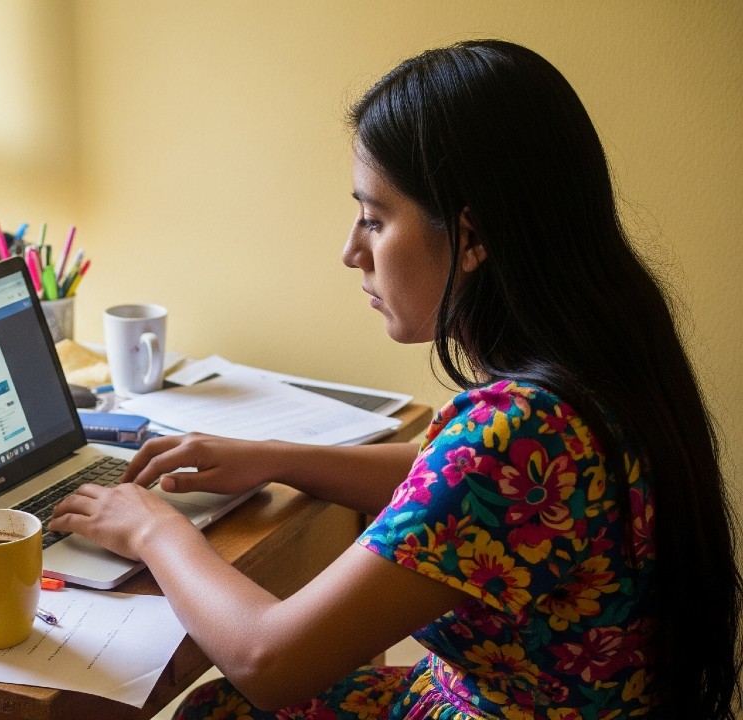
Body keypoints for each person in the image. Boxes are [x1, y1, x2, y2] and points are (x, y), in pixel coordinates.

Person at [49, 39, 742, 719]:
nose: (351, 251)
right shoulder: (600, 363)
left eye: (375, 219)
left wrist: (155, 533)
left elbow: (270, 659)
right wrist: (278, 459)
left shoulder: (516, 432)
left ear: (473, 237)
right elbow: (456, 483)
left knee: (228, 705)